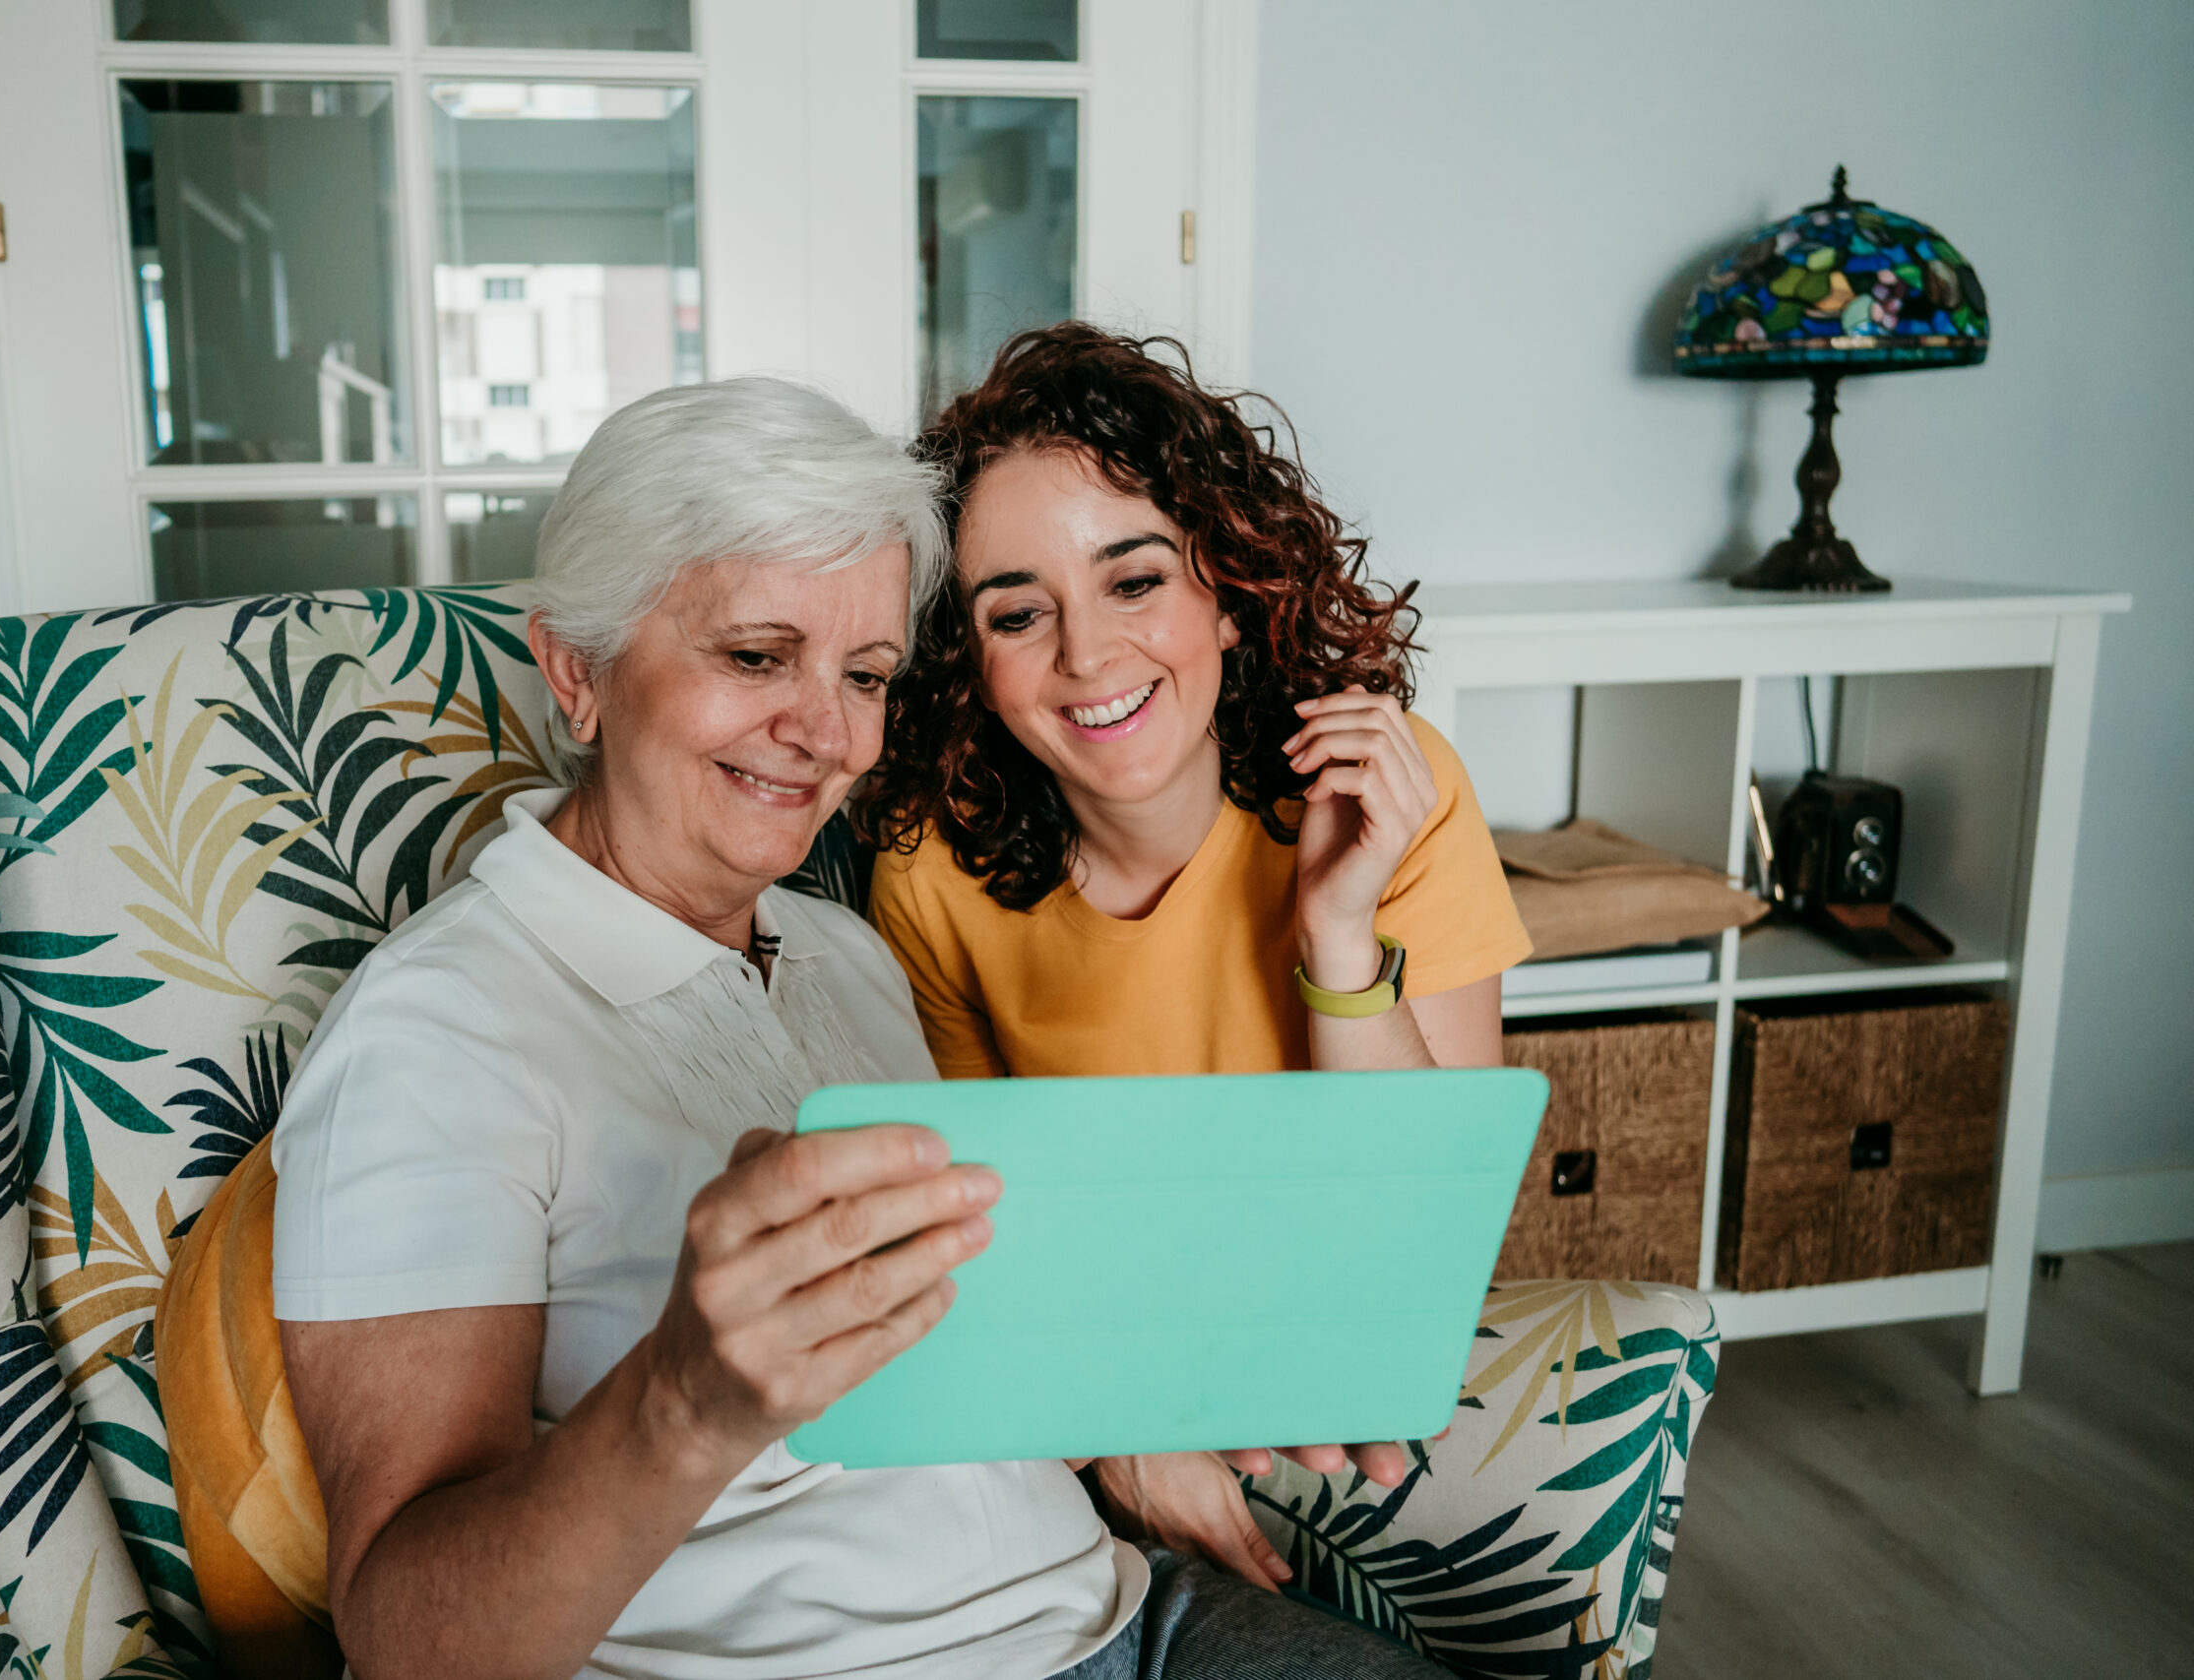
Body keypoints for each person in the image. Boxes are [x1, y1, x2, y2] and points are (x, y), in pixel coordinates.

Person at [156, 376, 1449, 1680]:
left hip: (1123, 1614)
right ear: (576, 669)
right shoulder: (438, 1032)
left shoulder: (842, 952)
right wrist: (684, 1400)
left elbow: (980, 1346)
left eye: (866, 673)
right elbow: (407, 1641)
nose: (824, 734)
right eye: (755, 656)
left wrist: (1184, 1395)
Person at [862, 323, 1536, 1590]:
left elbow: (1430, 1236)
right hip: (1084, 1380)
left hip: (1340, 1354)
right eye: (1019, 614)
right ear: (973, 666)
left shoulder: (1399, 795)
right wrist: (1115, 1432)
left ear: (1229, 595)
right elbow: (974, 1248)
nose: (1087, 655)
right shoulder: (929, 873)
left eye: (1135, 581)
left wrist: (1337, 933)